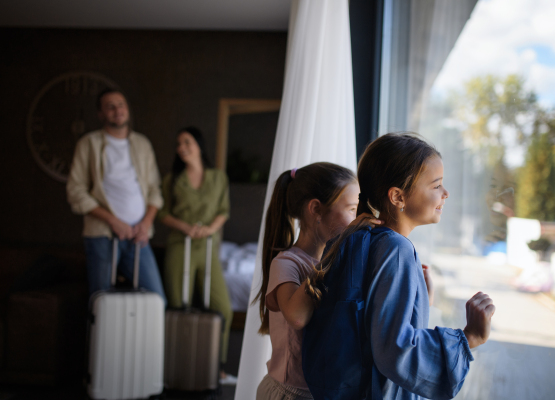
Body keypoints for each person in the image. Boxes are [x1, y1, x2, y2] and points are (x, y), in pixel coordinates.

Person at [304, 133, 496, 400]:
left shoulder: (353, 238)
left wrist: (421, 302)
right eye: (436, 185)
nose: (446, 193)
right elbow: (394, 350)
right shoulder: (396, 249)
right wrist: (468, 338)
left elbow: (369, 327)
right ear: (397, 197)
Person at [254, 162, 371, 400]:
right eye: (352, 209)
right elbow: (297, 316)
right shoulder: (287, 263)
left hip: (321, 392)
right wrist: (339, 247)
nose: (357, 218)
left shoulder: (336, 263)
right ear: (316, 209)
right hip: (289, 392)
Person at [67, 88, 166, 304]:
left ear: (128, 110)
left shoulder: (142, 144)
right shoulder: (89, 144)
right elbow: (76, 191)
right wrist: (113, 221)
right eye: (110, 106)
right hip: (102, 235)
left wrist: (146, 223)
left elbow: (154, 190)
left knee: (156, 299)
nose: (117, 110)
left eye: (121, 104)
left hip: (139, 235)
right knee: (100, 301)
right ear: (101, 114)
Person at [157, 126, 235, 384]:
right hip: (181, 245)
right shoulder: (172, 180)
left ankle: (217, 367)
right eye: (178, 144)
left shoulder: (217, 177)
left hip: (208, 247)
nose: (181, 148)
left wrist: (210, 229)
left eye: (187, 142)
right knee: (179, 306)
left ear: (199, 145)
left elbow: (223, 209)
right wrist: (187, 227)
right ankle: (176, 366)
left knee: (222, 306)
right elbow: (163, 213)